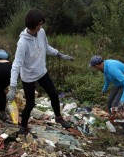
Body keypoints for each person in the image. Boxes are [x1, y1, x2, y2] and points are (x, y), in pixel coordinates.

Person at [6, 8, 74, 136]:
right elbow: (16, 64)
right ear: (32, 25)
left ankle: (59, 117)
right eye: (38, 25)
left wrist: (60, 55)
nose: (41, 27)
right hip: (28, 76)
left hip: (41, 72)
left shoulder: (41, 32)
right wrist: (13, 87)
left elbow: (46, 47)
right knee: (30, 104)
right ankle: (24, 126)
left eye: (41, 24)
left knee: (54, 95)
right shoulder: (23, 43)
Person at [89, 55, 124, 136]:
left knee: (116, 106)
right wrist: (104, 89)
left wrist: (123, 99)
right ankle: (115, 120)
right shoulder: (105, 66)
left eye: (94, 67)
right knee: (109, 102)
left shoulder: (112, 69)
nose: (94, 68)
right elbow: (107, 78)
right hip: (119, 83)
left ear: (97, 66)